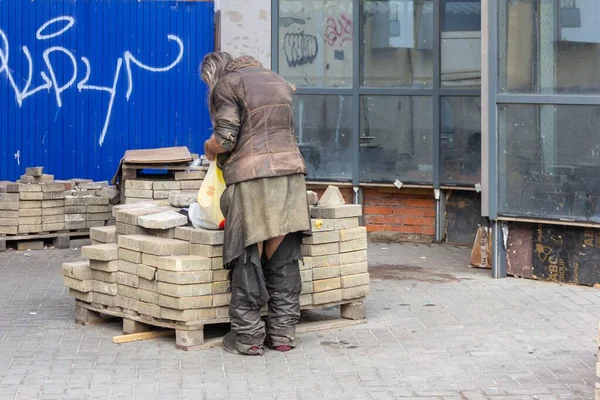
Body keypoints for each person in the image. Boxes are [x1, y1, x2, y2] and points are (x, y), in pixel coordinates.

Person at [200, 51, 311, 355]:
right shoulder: (276, 79)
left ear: (214, 75)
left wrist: (209, 149)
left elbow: (225, 139)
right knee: (283, 257)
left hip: (252, 178)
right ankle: (283, 334)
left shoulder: (229, 85)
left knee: (247, 254)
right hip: (290, 175)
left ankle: (248, 339)